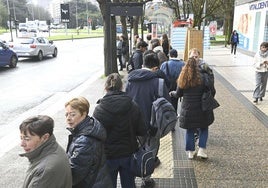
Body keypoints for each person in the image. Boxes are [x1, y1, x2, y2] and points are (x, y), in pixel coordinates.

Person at [126, 50, 170, 188]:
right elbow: (166, 104)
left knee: (133, 151)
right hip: (152, 126)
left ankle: (131, 177)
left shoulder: (129, 80)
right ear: (155, 68)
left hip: (132, 125)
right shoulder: (159, 82)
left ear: (143, 64)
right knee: (150, 151)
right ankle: (146, 178)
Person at [93, 73, 146, 188]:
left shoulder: (99, 109)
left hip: (108, 155)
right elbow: (142, 130)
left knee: (109, 184)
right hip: (128, 152)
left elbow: (96, 134)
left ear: (106, 88)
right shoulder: (132, 105)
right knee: (129, 184)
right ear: (122, 87)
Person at [170, 58, 215, 160]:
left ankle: (190, 152)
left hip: (188, 109)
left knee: (190, 130)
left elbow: (178, 94)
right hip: (202, 108)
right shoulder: (203, 77)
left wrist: (171, 93)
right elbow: (212, 90)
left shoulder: (183, 77)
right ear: (198, 66)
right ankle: (202, 150)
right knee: (203, 128)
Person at [65, 97, 112, 188]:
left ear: (84, 114)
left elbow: (75, 175)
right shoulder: (90, 126)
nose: (68, 118)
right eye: (66, 114)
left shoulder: (84, 141)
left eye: (72, 114)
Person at [19, 115, 72, 188]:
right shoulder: (53, 148)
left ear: (45, 137)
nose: (22, 144)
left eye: (27, 139)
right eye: (21, 138)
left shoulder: (45, 170)